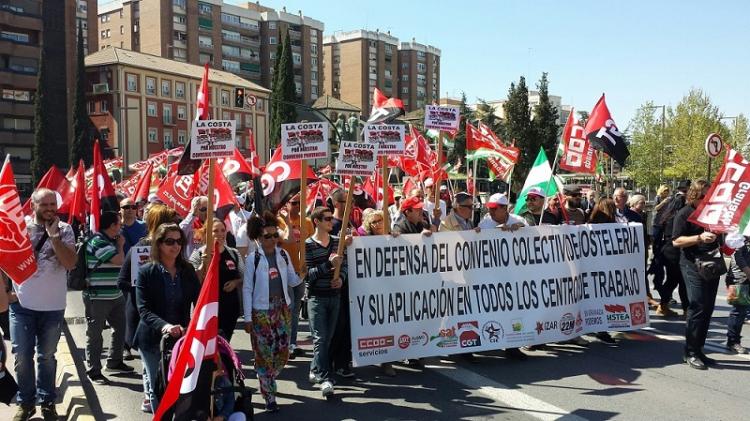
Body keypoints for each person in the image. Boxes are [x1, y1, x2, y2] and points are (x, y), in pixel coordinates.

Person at [10, 188, 77, 421]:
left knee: (46, 357)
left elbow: (69, 263)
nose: (50, 209)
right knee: (22, 356)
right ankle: (26, 403)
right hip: (21, 305)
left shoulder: (65, 229)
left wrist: (54, 237)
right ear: (33, 205)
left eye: (53, 204)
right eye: (44, 205)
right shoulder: (18, 228)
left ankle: (47, 401)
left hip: (53, 307)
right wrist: (7, 292)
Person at [117, 204, 178, 413]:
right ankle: (153, 402)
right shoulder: (141, 248)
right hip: (145, 318)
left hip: (171, 319)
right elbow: (123, 281)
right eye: (168, 220)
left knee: (161, 367)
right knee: (151, 367)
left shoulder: (175, 248)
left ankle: (152, 398)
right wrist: (142, 292)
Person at [134, 224, 200, 411]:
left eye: (179, 241)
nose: (176, 246)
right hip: (152, 339)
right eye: (170, 241)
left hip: (181, 339)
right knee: (158, 387)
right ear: (159, 244)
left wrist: (196, 324)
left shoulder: (187, 270)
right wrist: (165, 326)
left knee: (181, 386)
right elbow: (144, 310)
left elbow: (199, 301)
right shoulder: (146, 271)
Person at [242, 212, 301, 411]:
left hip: (282, 309)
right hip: (261, 312)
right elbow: (247, 288)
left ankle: (265, 375)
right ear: (258, 237)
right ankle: (269, 396)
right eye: (268, 236)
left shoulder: (283, 255)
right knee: (265, 355)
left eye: (275, 235)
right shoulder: (253, 259)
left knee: (283, 353)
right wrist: (248, 318)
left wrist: (304, 272)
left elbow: (293, 280)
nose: (273, 239)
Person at [672, 180, 723, 370]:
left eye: (709, 195)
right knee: (698, 306)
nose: (707, 199)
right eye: (703, 195)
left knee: (709, 307)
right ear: (694, 195)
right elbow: (676, 241)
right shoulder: (684, 214)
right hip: (692, 264)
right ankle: (690, 351)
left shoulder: (711, 213)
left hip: (712, 262)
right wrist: (698, 238)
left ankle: (699, 349)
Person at [84, 211, 134, 385]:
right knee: (95, 335)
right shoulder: (97, 241)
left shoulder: (110, 241)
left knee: (121, 329)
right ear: (112, 226)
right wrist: (121, 245)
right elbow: (119, 260)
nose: (121, 227)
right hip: (97, 297)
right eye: (119, 224)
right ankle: (94, 371)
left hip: (115, 294)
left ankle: (114, 361)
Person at [305, 206, 348, 398]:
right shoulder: (307, 245)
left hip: (334, 296)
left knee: (327, 339)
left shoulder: (338, 243)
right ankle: (325, 378)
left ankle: (315, 368)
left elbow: (345, 266)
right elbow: (308, 275)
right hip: (316, 298)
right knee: (320, 338)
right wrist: (328, 265)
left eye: (331, 218)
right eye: (327, 218)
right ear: (317, 222)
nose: (332, 221)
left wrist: (341, 278)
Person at [189, 218, 244, 342]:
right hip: (207, 309)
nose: (220, 234)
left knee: (224, 344)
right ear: (207, 233)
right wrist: (203, 264)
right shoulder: (198, 254)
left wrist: (236, 282)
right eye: (215, 231)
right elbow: (192, 281)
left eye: (223, 230)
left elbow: (244, 277)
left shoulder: (234, 253)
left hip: (230, 308)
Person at [277, 195, 313, 359]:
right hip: (285, 273)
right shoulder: (278, 222)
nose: (298, 205)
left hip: (301, 271)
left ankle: (291, 343)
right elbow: (286, 240)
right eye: (294, 203)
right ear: (286, 204)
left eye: (300, 202)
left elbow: (311, 244)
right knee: (288, 309)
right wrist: (287, 221)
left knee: (296, 309)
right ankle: (284, 344)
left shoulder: (306, 222)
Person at [725, 236, 750, 355]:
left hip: (745, 278)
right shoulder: (739, 235)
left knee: (742, 311)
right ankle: (733, 342)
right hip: (739, 278)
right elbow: (737, 256)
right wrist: (748, 272)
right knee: (738, 312)